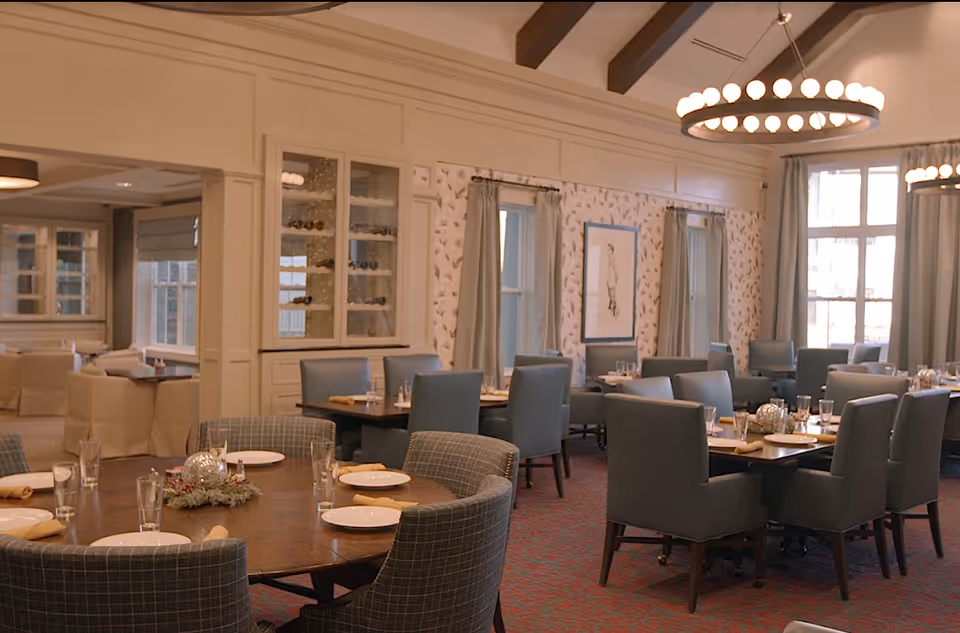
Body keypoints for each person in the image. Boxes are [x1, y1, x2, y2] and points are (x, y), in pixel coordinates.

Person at [605, 242, 618, 317]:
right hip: (609, 277)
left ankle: (614, 307)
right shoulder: (609, 258)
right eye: (607, 250)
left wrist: (616, 277)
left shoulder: (613, 258)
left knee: (612, 293)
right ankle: (611, 304)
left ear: (612, 251)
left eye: (608, 250)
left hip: (612, 278)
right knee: (609, 293)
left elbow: (615, 269)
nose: (607, 251)